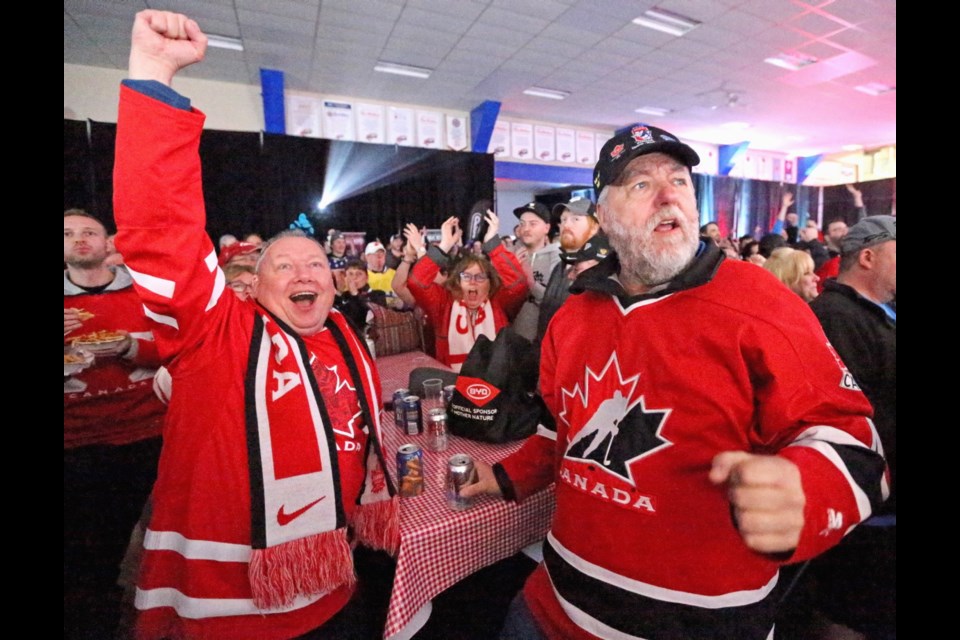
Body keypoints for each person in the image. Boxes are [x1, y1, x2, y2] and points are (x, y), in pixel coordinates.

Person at [461, 124, 887, 640]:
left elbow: (853, 440)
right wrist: (506, 477)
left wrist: (807, 490)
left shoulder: (758, 300)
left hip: (695, 626)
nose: (667, 195)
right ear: (604, 216)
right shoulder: (575, 315)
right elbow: (560, 429)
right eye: (640, 184)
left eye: (679, 181)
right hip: (553, 606)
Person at [112, 12, 398, 639]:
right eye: (285, 265)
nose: (307, 272)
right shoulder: (220, 332)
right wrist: (154, 77)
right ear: (256, 287)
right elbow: (160, 230)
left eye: (317, 263)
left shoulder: (344, 337)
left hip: (337, 578)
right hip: (233, 603)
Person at [64, 208, 166, 639]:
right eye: (68, 234)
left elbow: (176, 350)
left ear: (109, 243)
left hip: (150, 436)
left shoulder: (146, 295)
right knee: (89, 553)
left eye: (90, 232)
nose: (80, 239)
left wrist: (129, 346)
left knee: (165, 543)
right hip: (78, 444)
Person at [808, 215, 896, 640]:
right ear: (868, 257)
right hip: (865, 508)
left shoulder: (877, 314)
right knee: (856, 612)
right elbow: (855, 415)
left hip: (880, 502)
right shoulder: (835, 316)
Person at [407, 213, 526, 370]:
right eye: (466, 276)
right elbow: (417, 282)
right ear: (457, 281)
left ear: (490, 282)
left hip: (495, 379)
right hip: (453, 381)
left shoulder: (497, 300)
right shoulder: (443, 303)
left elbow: (518, 284)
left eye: (480, 276)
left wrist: (492, 244)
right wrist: (444, 247)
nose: (473, 281)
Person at [536, 196, 607, 347]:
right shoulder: (560, 267)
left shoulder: (603, 269)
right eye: (564, 219)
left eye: (575, 219)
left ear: (595, 226)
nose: (566, 224)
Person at [511, 202, 561, 341]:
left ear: (546, 228)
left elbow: (554, 300)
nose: (526, 229)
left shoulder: (557, 258)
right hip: (512, 338)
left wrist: (529, 279)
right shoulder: (510, 254)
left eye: (533, 224)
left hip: (544, 338)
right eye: (522, 224)